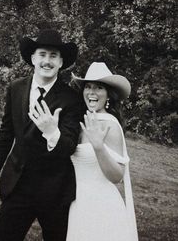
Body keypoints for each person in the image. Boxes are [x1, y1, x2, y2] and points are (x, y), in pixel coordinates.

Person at [0, 29, 82, 241]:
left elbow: (69, 147)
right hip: (17, 185)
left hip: (55, 190)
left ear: (61, 62)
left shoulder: (72, 99)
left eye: (53, 56)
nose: (47, 61)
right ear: (32, 58)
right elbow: (6, 131)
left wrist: (52, 132)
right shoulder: (16, 88)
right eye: (42, 54)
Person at [66, 62, 139, 241]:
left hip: (102, 206)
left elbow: (117, 176)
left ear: (108, 95)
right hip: (78, 204)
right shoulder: (80, 121)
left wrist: (98, 147)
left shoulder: (110, 125)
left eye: (99, 88)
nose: (92, 92)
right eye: (88, 87)